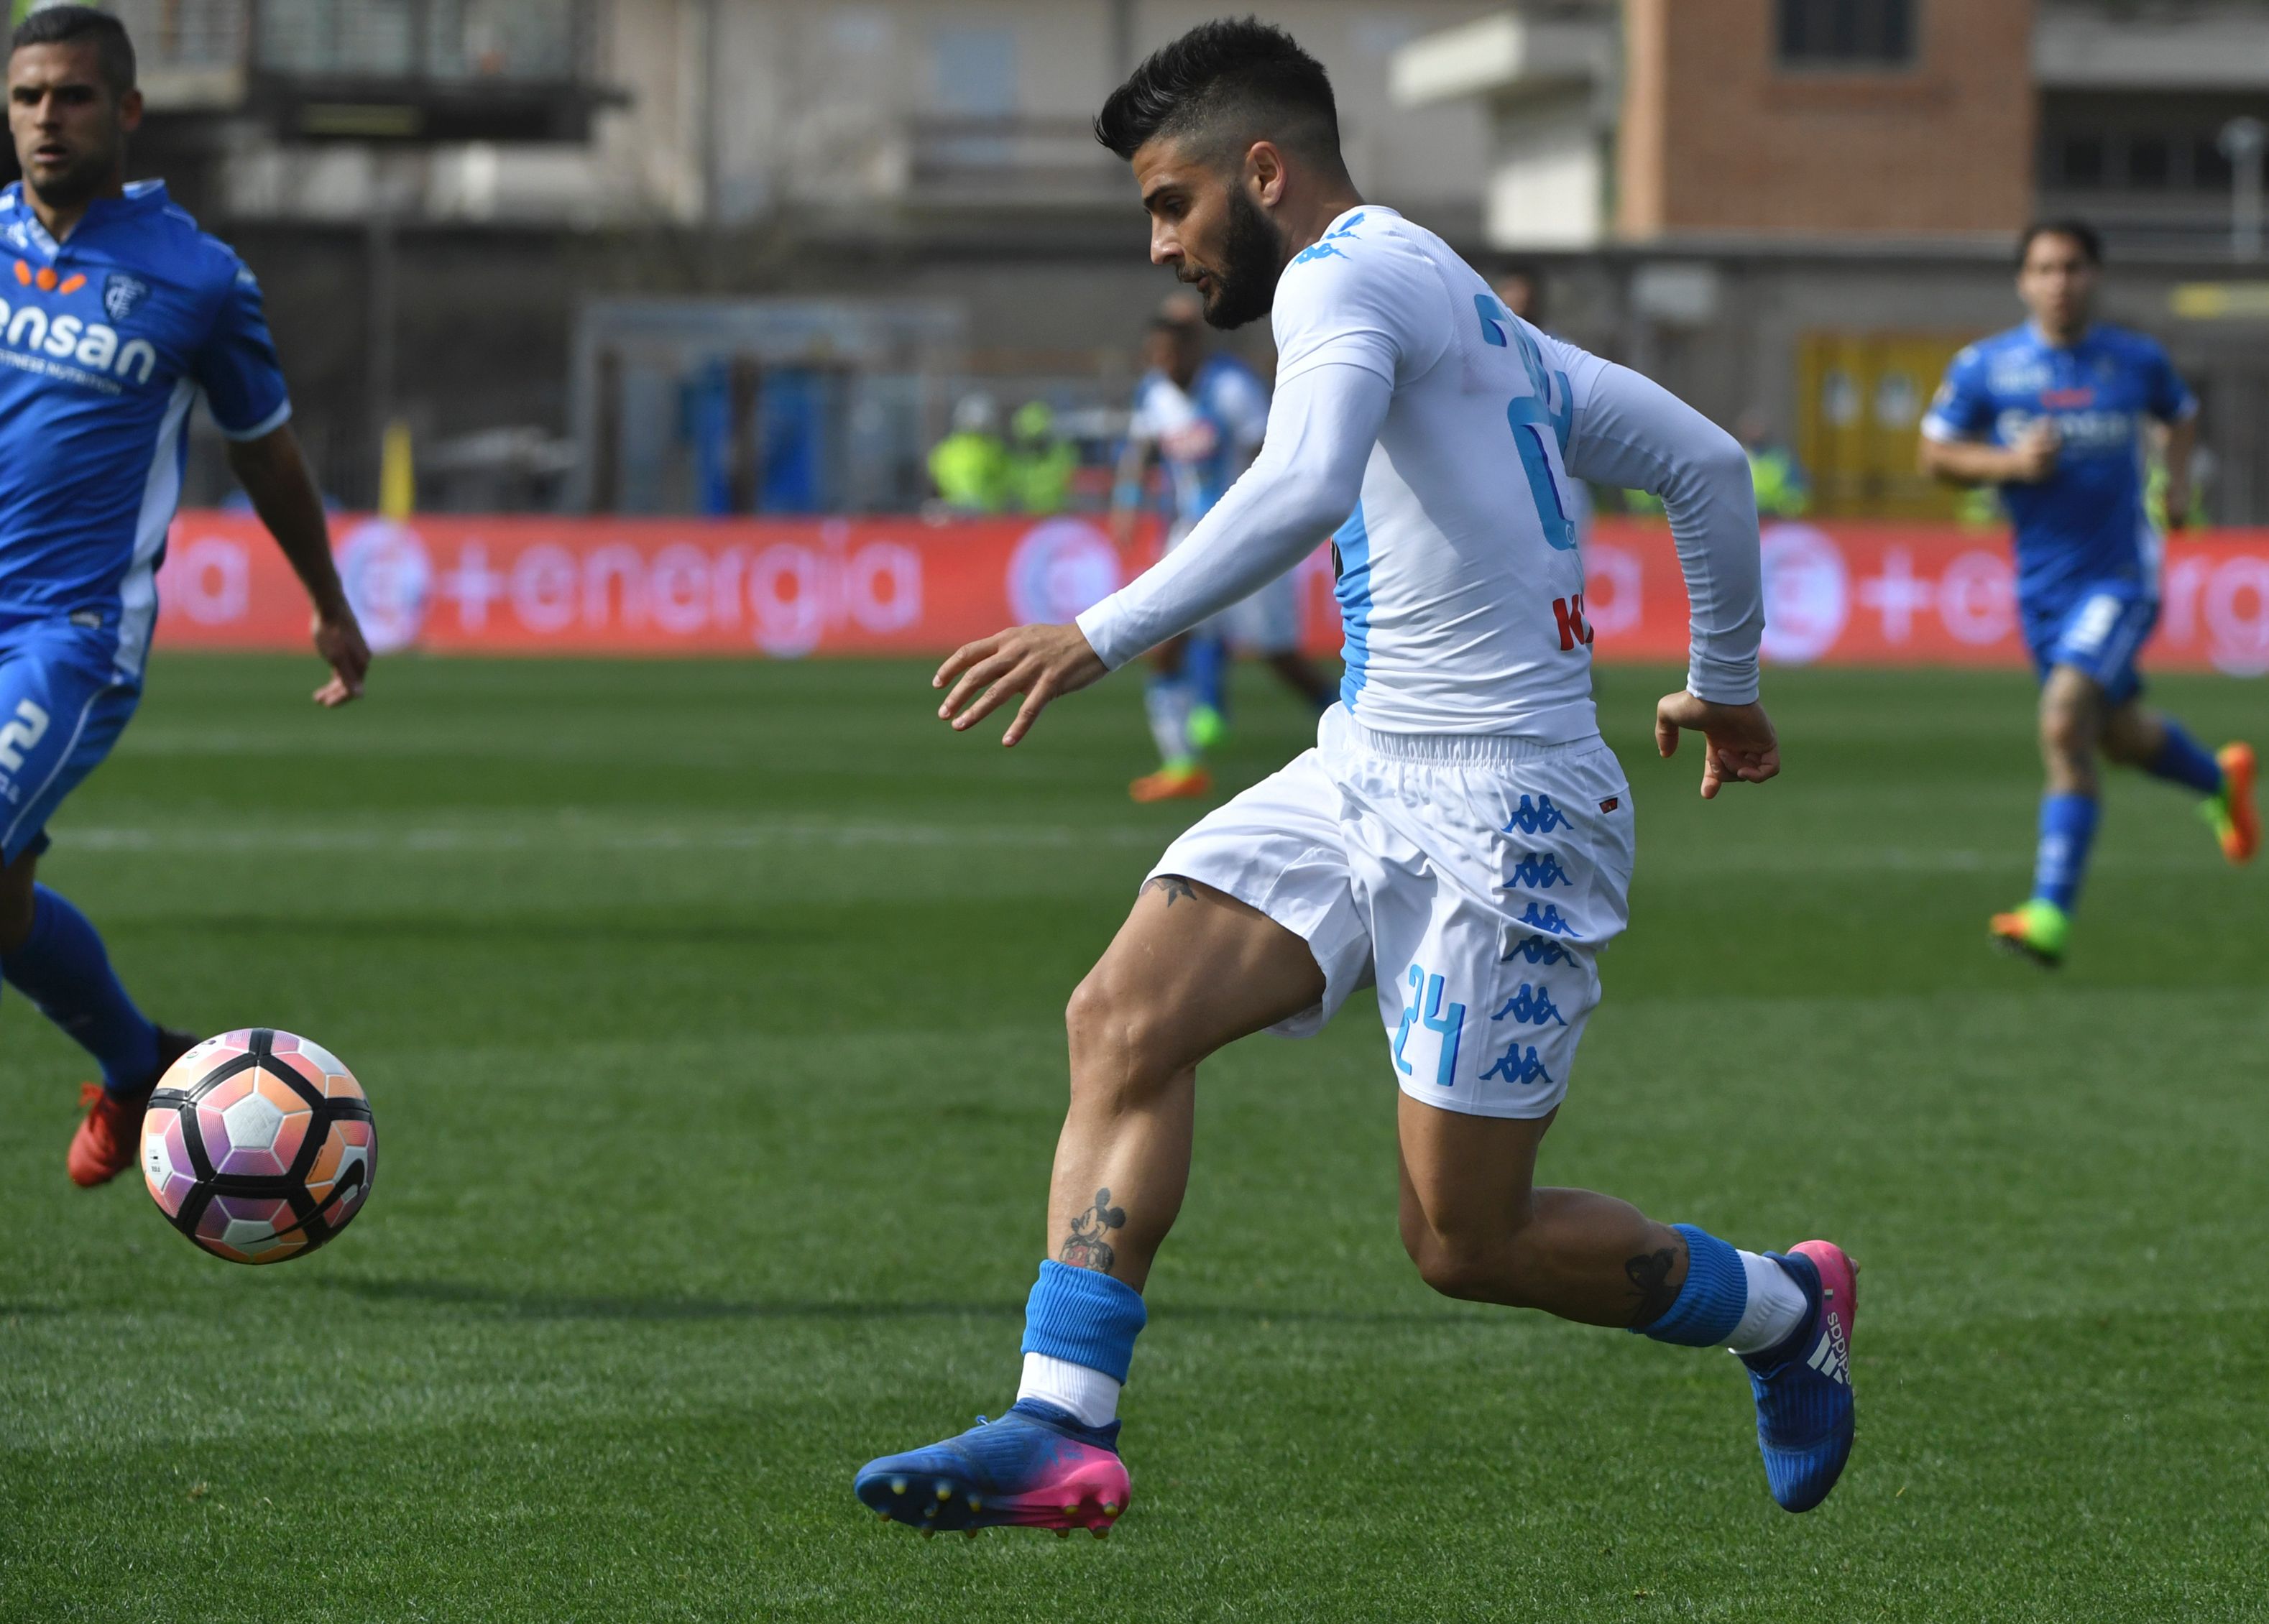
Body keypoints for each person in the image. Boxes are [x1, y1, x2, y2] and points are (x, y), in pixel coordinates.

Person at [855, 19, 1857, 1536]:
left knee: (1466, 1238)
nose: (1159, 246)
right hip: (1367, 760)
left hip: (1509, 807)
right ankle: (1061, 1423)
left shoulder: (1340, 278)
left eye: (1171, 203)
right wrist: (1722, 683)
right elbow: (1703, 463)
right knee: (1122, 1016)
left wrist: (1098, 632)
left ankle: (1783, 1310)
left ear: (1265, 172)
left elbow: (1308, 481)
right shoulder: (1457, 301)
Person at [0, 5, 369, 1186]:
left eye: (71, 96)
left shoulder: (196, 278)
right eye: (27, 97)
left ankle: (131, 1063)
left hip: (69, 640)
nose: (47, 119)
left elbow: (264, 449)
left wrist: (327, 598)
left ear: (127, 111)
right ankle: (135, 1065)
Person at [1919, 219, 2256, 967]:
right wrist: (2008, 464)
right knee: (2116, 733)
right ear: (2022, 281)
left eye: (2071, 267)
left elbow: (2180, 413)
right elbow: (1935, 454)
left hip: (2119, 575)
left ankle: (2050, 915)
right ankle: (2218, 780)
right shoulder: (1988, 367)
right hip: (2041, 588)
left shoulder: (2133, 360)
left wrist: (2172, 490)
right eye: (2043, 268)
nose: (2058, 282)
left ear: (2093, 276)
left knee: (2064, 719)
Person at [1111, 297, 1335, 801]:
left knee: (1281, 658)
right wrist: (1126, 503)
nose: (1162, 364)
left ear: (1193, 349)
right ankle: (1182, 763)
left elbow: (1268, 451)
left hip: (1249, 534)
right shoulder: (1155, 395)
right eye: (1155, 354)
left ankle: (1356, 727)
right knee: (1163, 646)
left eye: (1170, 353)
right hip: (1190, 535)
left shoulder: (1232, 388)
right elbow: (1142, 450)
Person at [929, 392, 1010, 514]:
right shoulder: (947, 451)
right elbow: (936, 483)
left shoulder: (995, 450)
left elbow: (1004, 483)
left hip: (988, 518)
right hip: (958, 516)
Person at [1003, 399, 1077, 515]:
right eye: (1030, 442)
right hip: (1025, 519)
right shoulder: (1015, 460)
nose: (1033, 448)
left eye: (1038, 441)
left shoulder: (1063, 455)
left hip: (1058, 516)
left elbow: (1073, 485)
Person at [1736, 410, 1810, 518]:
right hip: (1745, 519)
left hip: (1775, 520)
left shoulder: (1780, 458)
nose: (1753, 432)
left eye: (1756, 427)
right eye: (1749, 428)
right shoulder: (1737, 456)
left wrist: (1786, 512)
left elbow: (1797, 492)